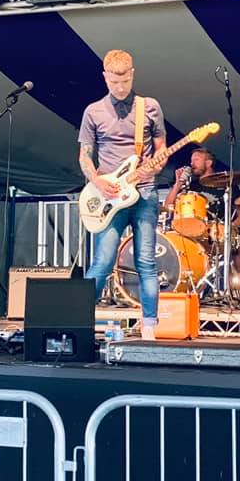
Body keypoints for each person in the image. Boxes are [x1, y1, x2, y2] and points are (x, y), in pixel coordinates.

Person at [79, 50, 167, 340]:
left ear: (133, 75)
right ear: (105, 77)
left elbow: (162, 152)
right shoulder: (93, 111)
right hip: (109, 197)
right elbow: (84, 156)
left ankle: (150, 327)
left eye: (126, 81)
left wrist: (151, 170)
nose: (120, 87)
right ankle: (78, 321)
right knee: (102, 261)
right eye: (115, 82)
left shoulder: (149, 106)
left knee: (146, 261)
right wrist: (97, 181)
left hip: (144, 192)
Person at [163, 147, 240, 274]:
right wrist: (178, 183)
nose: (192, 164)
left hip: (221, 229)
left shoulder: (226, 183)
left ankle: (238, 286)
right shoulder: (191, 186)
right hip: (196, 230)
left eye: (196, 160)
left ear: (208, 163)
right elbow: (167, 206)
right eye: (191, 161)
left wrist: (234, 225)